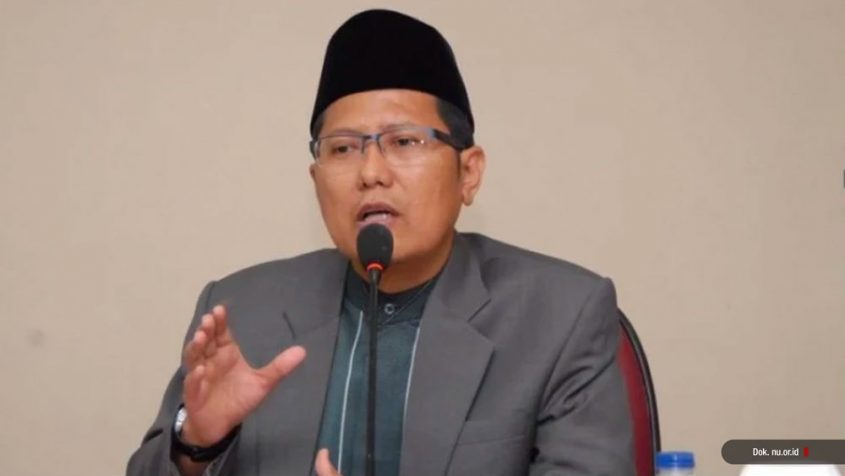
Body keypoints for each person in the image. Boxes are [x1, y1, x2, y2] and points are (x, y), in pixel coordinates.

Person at [127, 9, 633, 476]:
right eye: (343, 149)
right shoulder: (241, 311)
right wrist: (197, 443)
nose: (370, 172)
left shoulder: (559, 316)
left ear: (469, 173)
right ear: (316, 181)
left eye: (404, 141)